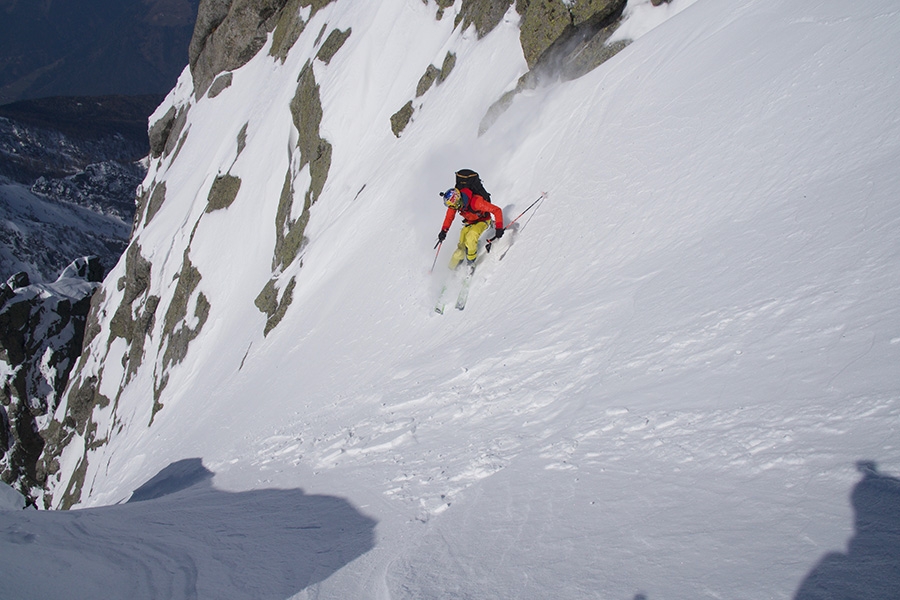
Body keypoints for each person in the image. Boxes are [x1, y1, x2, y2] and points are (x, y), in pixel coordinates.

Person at [436, 175, 504, 271]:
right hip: (469, 223)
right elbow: (449, 217)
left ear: (457, 202)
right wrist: (444, 231)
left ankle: (471, 263)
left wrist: (499, 228)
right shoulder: (455, 205)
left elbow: (497, 210)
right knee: (458, 252)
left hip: (483, 220)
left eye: (453, 206)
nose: (452, 208)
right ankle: (449, 271)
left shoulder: (476, 202)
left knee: (471, 237)